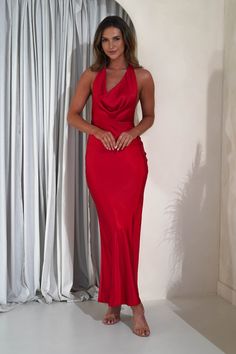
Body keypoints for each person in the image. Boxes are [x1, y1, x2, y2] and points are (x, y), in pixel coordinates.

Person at [67, 15, 155, 337]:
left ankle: (132, 304)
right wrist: (97, 131)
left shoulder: (143, 76)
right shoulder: (91, 75)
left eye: (116, 39)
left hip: (130, 159)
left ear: (126, 40)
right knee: (111, 227)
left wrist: (132, 132)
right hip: (100, 160)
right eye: (105, 40)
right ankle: (118, 301)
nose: (110, 45)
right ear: (99, 44)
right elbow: (72, 116)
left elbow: (149, 117)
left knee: (126, 229)